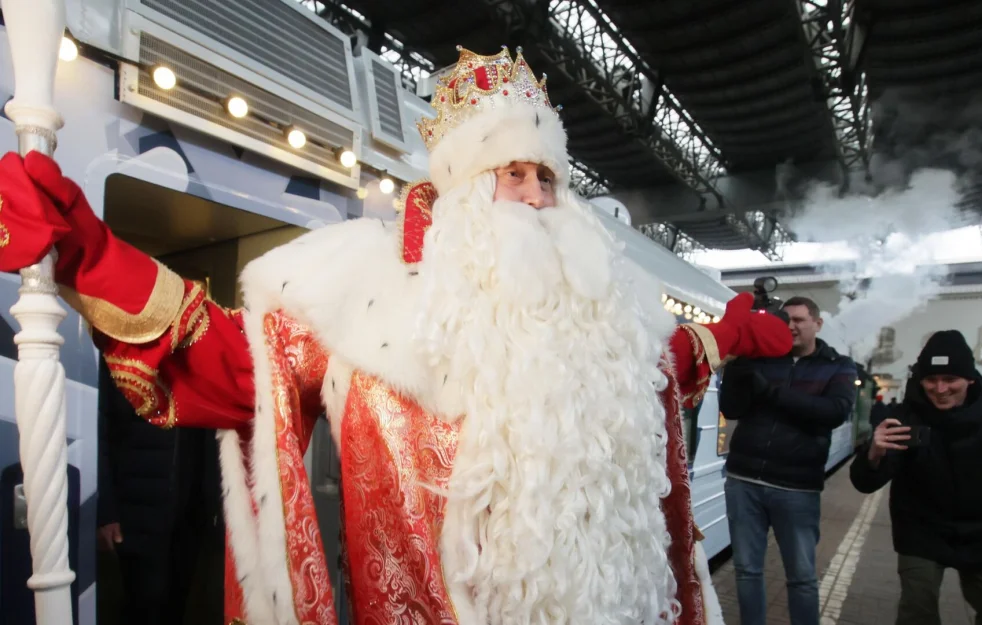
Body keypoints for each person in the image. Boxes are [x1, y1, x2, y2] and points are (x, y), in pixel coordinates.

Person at [0, 46, 792, 625]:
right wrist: (92, 255)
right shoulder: (363, 289)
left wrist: (724, 339)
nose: (536, 196)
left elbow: (660, 372)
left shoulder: (605, 318)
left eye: (546, 176)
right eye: (512, 173)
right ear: (464, 189)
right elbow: (232, 365)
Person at [718, 296, 858, 625]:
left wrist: (771, 393)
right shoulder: (763, 358)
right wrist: (738, 369)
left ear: (817, 324)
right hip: (744, 479)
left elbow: (834, 412)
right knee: (746, 570)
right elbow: (732, 409)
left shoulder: (838, 365)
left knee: (802, 576)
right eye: (787, 320)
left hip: (796, 487)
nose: (791, 326)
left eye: (799, 320)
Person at [850, 330, 982, 625]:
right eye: (931, 379)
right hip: (922, 532)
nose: (940, 389)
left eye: (950, 379)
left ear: (969, 378)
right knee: (917, 609)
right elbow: (864, 483)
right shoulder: (905, 417)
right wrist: (873, 453)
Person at [97, 359, 224, 624]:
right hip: (136, 509)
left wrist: (215, 504)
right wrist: (106, 511)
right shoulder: (119, 343)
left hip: (190, 508)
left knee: (176, 605)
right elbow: (101, 427)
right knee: (142, 606)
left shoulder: (197, 343)